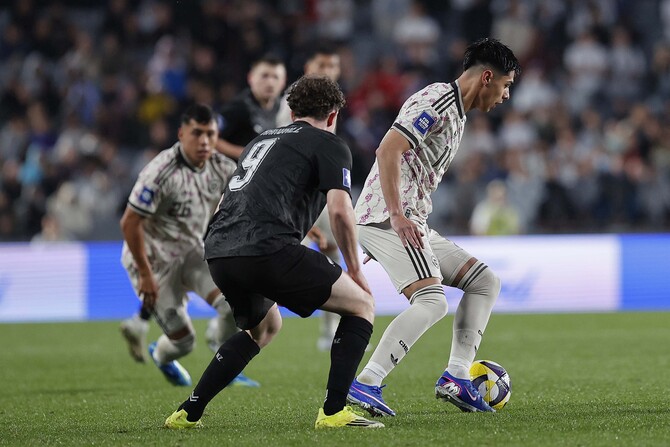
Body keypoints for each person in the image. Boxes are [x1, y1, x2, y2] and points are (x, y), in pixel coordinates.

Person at [164, 75, 383, 429]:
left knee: (264, 327)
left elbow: (236, 199)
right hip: (266, 249)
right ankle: (333, 412)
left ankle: (188, 412)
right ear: (333, 115)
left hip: (220, 251)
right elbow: (341, 212)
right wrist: (355, 270)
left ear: (292, 113)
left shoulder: (261, 140)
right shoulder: (330, 143)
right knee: (361, 305)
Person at [347, 38, 520, 416]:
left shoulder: (457, 113)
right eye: (506, 85)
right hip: (390, 217)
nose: (506, 95)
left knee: (484, 281)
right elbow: (387, 149)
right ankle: (366, 382)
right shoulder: (438, 100)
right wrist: (394, 215)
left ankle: (456, 376)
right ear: (487, 77)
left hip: (410, 220)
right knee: (432, 300)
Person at [118, 104, 258, 387]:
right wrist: (145, 273)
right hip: (154, 259)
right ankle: (160, 354)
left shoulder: (222, 167)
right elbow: (130, 222)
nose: (204, 141)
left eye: (210, 134)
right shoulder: (160, 172)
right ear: (181, 133)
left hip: (193, 251)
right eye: (197, 133)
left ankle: (223, 359)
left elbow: (248, 207)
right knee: (184, 342)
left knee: (234, 306)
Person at [277, 44, 346, 351]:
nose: (327, 70)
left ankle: (330, 332)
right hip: (297, 195)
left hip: (321, 192)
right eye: (322, 64)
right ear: (308, 67)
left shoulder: (331, 100)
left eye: (332, 66)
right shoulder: (294, 101)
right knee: (293, 256)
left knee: (332, 255)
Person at [216, 55, 287, 161]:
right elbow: (213, 139)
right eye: (264, 76)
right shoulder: (238, 107)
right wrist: (248, 154)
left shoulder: (285, 108)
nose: (270, 83)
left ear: (283, 82)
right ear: (251, 78)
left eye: (275, 77)